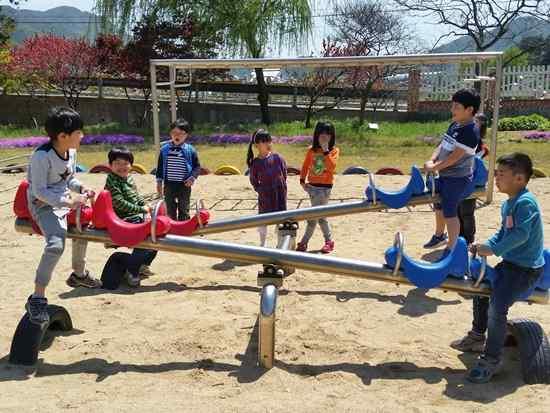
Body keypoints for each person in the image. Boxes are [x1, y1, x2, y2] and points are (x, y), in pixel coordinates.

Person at [451, 153, 545, 383]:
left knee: (497, 307)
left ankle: (491, 358)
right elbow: (503, 233)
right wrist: (486, 245)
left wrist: (494, 250)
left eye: (502, 174)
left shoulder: (525, 202)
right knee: (480, 288)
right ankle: (477, 335)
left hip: (525, 271)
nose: (496, 178)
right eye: (497, 173)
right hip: (511, 264)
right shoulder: (509, 203)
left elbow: (521, 235)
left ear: (520, 178)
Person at [25, 107, 101, 325]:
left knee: (84, 227)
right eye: (79, 132)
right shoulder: (42, 157)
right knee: (56, 245)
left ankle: (78, 274)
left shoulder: (71, 152)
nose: (83, 136)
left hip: (63, 198)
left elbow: (68, 179)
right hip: (43, 205)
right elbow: (39, 191)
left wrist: (82, 189)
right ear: (63, 136)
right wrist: (69, 201)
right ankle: (37, 298)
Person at [423, 89, 480, 254]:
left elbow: (454, 158)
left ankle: (452, 248)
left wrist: (435, 167)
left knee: (449, 210)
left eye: (456, 106)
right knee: (438, 204)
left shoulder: (470, 131)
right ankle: (439, 235)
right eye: (452, 105)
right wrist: (433, 159)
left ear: (469, 110)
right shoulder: (455, 125)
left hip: (458, 179)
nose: (452, 109)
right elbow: (442, 145)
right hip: (445, 175)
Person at [104, 146, 157, 286]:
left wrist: (146, 206)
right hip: (121, 219)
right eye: (117, 163)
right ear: (110, 165)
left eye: (125, 163)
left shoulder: (129, 179)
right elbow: (119, 203)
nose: (122, 167)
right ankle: (132, 270)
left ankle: (142, 265)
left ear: (131, 165)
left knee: (157, 230)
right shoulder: (112, 180)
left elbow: (136, 197)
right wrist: (141, 209)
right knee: (144, 236)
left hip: (134, 215)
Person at [296, 121, 339, 254]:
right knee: (319, 216)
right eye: (322, 133)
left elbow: (332, 167)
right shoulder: (312, 150)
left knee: (316, 217)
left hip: (324, 188)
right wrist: (302, 180)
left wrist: (326, 150)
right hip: (312, 187)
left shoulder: (334, 150)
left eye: (328, 134)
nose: (325, 136)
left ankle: (306, 242)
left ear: (332, 136)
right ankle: (327, 241)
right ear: (316, 135)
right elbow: (305, 165)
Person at [247, 129, 287, 247]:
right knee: (263, 219)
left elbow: (284, 173)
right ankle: (262, 244)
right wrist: (260, 189)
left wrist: (281, 186)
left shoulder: (278, 158)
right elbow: (253, 180)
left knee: (280, 218)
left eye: (268, 141)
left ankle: (280, 244)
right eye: (263, 141)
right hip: (265, 194)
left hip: (279, 192)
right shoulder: (256, 163)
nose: (267, 144)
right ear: (256, 145)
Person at [155, 118, 201, 221]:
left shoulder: (190, 150)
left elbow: (197, 167)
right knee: (170, 208)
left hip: (184, 184)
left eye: (181, 133)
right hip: (169, 184)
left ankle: (183, 225)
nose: (177, 135)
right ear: (170, 134)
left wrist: (192, 178)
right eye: (174, 133)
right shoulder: (164, 150)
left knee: (183, 207)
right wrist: (159, 182)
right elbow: (160, 168)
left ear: (186, 135)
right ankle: (172, 225)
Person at [457, 112, 490, 245]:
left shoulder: (476, 141)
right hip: (460, 179)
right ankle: (461, 237)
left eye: (475, 121)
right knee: (459, 211)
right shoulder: (467, 137)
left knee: (466, 212)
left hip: (471, 181)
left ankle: (469, 239)